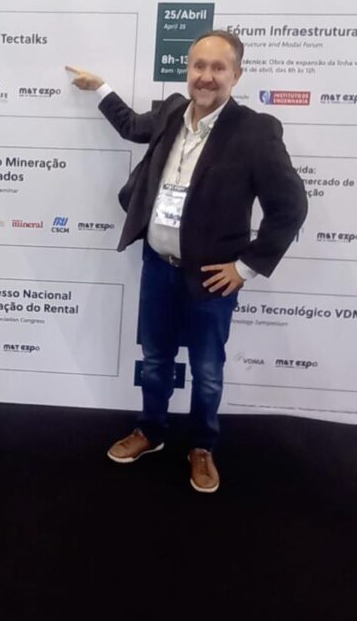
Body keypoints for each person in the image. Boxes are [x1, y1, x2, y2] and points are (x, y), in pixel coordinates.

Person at [66, 30, 307, 493]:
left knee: (207, 370)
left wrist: (245, 267)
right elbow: (131, 126)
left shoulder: (255, 131)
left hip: (212, 278)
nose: (207, 76)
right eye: (199, 66)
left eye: (219, 68)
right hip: (158, 265)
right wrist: (100, 88)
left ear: (237, 75)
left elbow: (291, 207)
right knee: (156, 358)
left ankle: (202, 446)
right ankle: (150, 431)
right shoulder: (172, 111)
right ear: (188, 70)